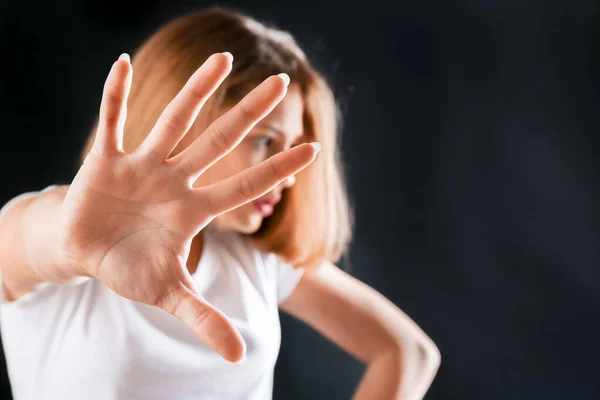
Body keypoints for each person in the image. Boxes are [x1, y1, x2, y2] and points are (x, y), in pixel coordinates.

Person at [0, 7, 440, 400]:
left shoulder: (254, 258)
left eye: (293, 148)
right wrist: (69, 241)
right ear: (189, 124)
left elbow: (408, 353)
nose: (287, 176)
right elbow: (23, 240)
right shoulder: (67, 230)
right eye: (265, 141)